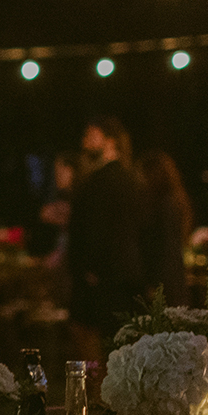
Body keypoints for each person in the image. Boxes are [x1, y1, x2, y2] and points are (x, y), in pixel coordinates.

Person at [67, 117, 144, 362]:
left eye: (92, 136)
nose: (85, 142)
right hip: (120, 278)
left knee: (94, 344)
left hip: (102, 281)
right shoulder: (129, 179)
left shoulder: (101, 182)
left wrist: (91, 268)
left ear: (110, 142)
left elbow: (98, 230)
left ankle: (94, 394)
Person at [137, 149, 193, 309]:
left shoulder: (161, 206)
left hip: (163, 281)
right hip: (175, 278)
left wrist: (155, 284)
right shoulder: (175, 202)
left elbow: (161, 248)